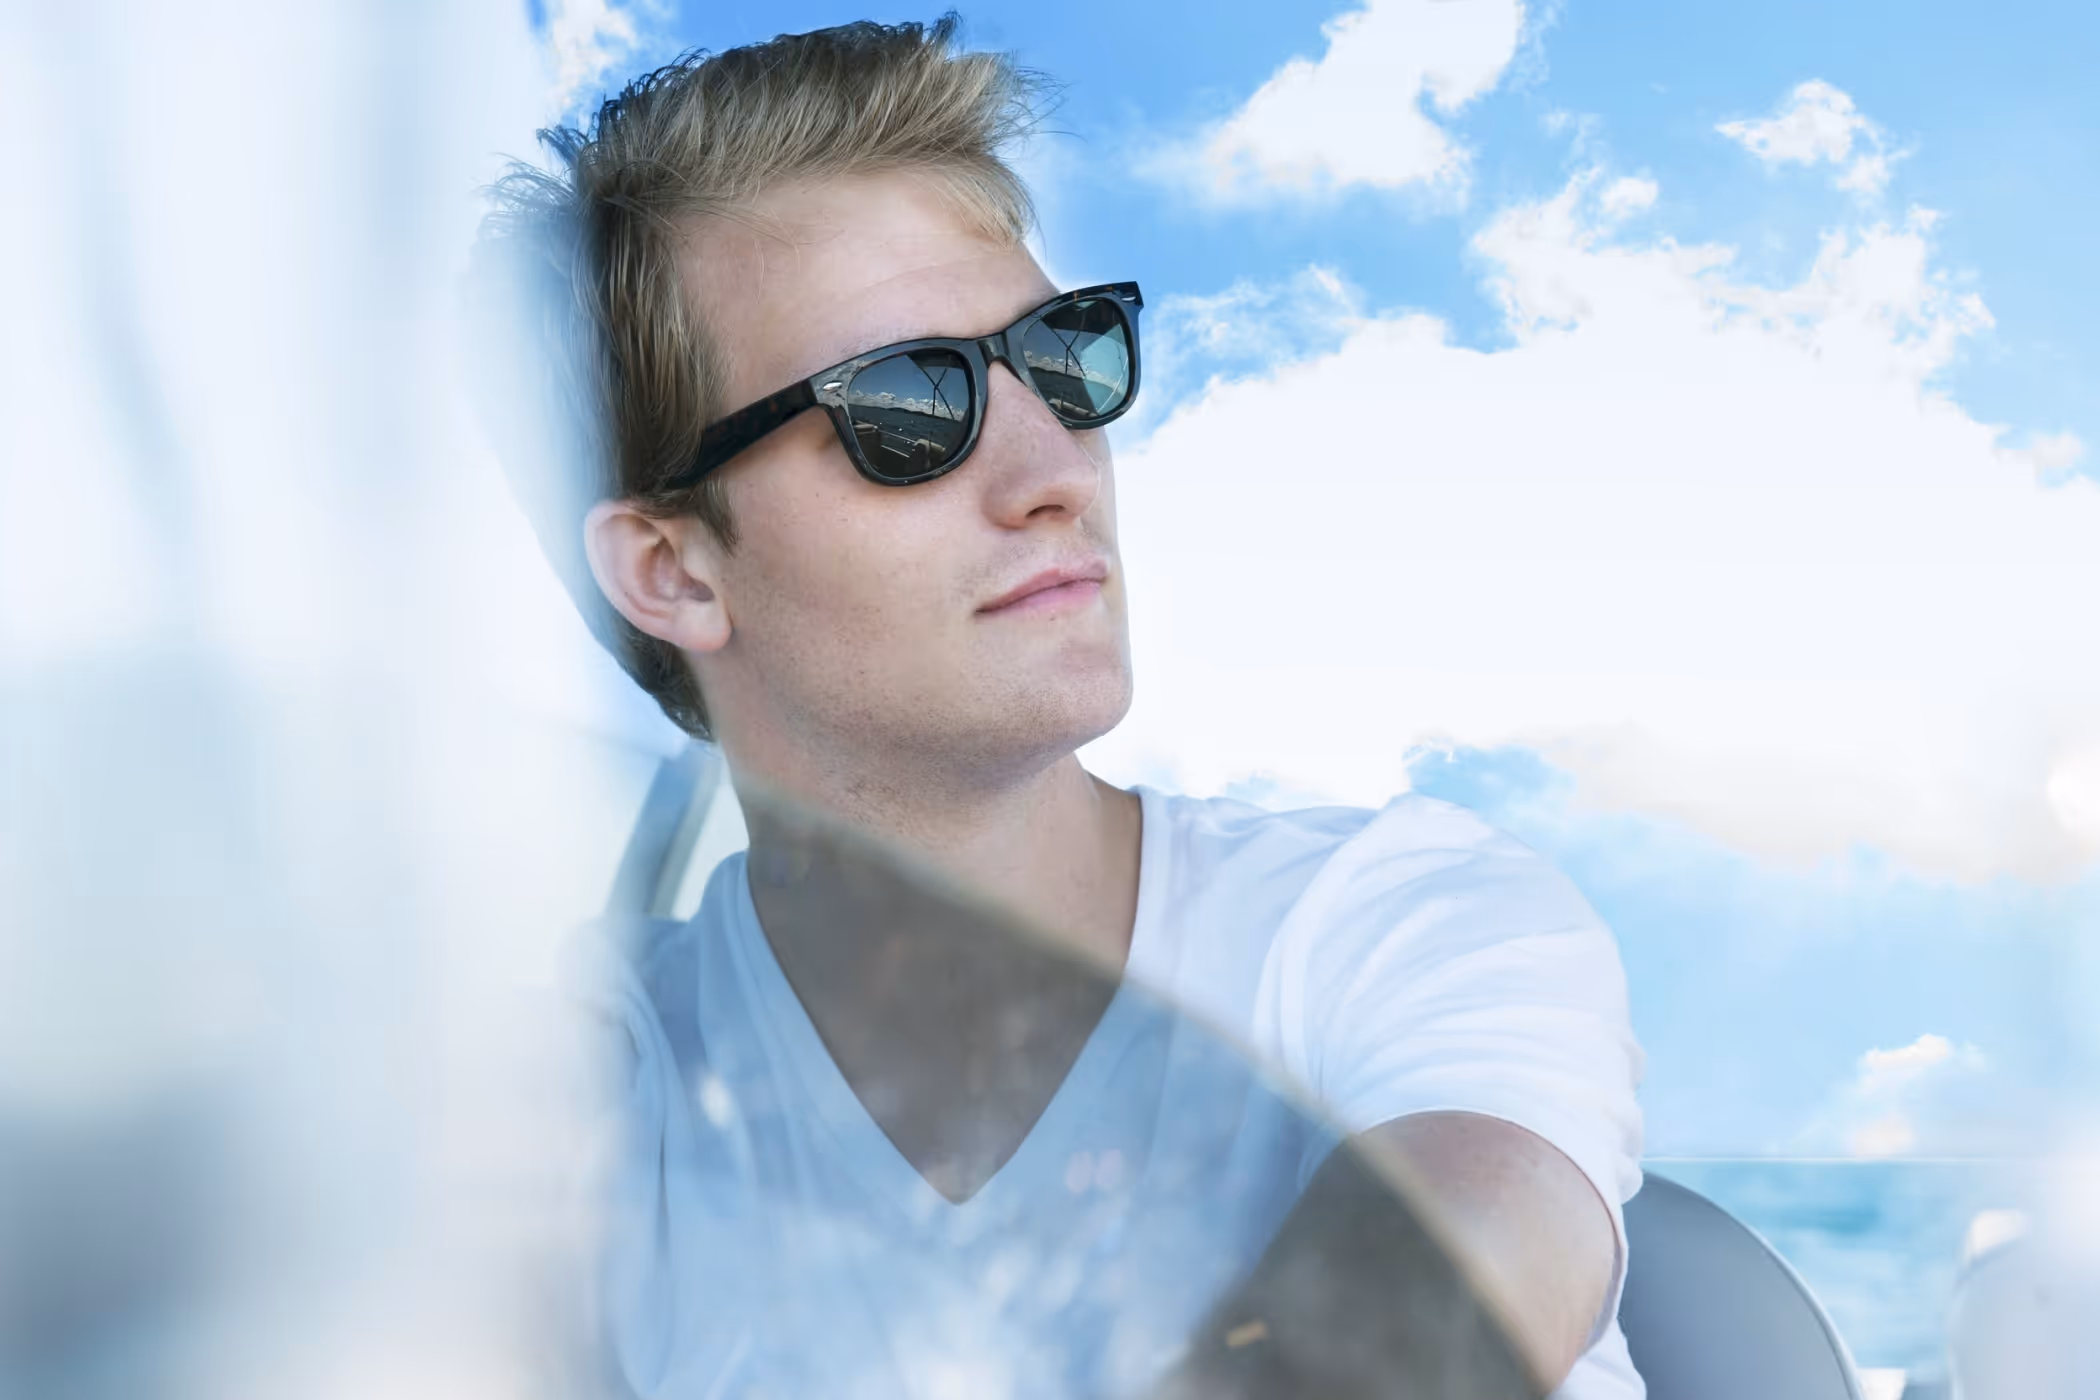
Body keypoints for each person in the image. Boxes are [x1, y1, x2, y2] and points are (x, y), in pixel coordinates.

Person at [472, 17, 1645, 1399]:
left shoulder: (1390, 927)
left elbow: (1444, 1308)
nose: (1061, 471)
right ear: (673, 571)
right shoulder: (593, 1085)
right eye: (909, 409)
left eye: (1063, 356)